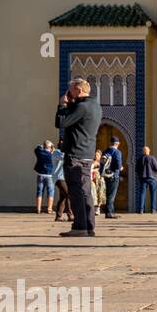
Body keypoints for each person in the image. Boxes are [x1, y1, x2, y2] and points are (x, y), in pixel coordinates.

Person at [55, 77, 102, 237]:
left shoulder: (81, 107)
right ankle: (89, 226)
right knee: (86, 191)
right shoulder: (95, 106)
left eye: (71, 90)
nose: (68, 93)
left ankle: (79, 226)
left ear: (78, 90)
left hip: (76, 154)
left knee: (75, 191)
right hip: (87, 154)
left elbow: (61, 123)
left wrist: (62, 105)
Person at [135, 145, 157, 213]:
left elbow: (137, 169)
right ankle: (153, 209)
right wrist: (154, 173)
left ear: (143, 151)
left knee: (142, 194)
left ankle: (141, 209)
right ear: (149, 151)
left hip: (143, 178)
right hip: (152, 178)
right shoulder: (152, 158)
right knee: (153, 194)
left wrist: (141, 175)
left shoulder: (140, 159)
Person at [34, 140, 55, 213]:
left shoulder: (39, 152)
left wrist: (42, 146)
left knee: (39, 192)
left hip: (40, 175)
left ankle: (38, 209)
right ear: (50, 147)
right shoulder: (51, 155)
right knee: (50, 192)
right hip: (49, 175)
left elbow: (36, 149)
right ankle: (49, 209)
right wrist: (53, 149)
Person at [52, 146, 70, 221]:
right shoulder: (57, 152)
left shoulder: (64, 153)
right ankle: (71, 214)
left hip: (64, 177)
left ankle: (58, 216)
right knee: (69, 194)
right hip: (59, 178)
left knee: (63, 197)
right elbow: (64, 157)